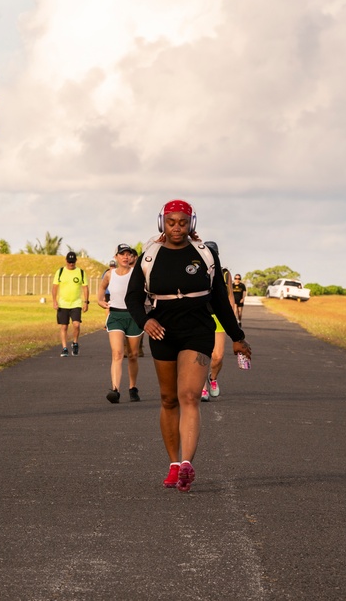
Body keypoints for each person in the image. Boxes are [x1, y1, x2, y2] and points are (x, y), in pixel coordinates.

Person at [125, 200, 251, 492]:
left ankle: (186, 465)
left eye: (183, 222)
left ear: (191, 223)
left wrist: (237, 337)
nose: (177, 228)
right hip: (162, 332)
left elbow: (219, 299)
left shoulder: (205, 256)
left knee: (189, 395)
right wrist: (145, 322)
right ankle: (172, 464)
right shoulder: (149, 257)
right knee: (169, 399)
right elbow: (133, 298)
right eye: (171, 222)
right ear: (162, 223)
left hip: (198, 332)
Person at [97, 244, 143, 403]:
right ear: (116, 257)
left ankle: (133, 387)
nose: (125, 257)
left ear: (131, 257)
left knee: (133, 355)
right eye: (122, 254)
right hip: (115, 315)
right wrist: (100, 301)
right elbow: (102, 288)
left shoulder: (137, 273)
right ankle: (115, 389)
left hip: (133, 316)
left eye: (128, 254)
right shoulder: (110, 274)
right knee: (117, 353)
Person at [201, 242, 237, 401]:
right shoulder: (196, 271)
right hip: (201, 316)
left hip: (219, 317)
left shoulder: (224, 273)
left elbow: (230, 296)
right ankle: (202, 387)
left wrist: (232, 318)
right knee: (202, 354)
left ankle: (213, 379)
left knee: (218, 356)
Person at [52, 251, 89, 357]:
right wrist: (54, 301)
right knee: (64, 326)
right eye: (69, 262)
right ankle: (64, 348)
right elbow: (55, 287)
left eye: (73, 262)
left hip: (76, 303)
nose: (71, 264)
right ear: (66, 261)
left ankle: (75, 343)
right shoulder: (60, 272)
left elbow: (85, 287)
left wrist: (86, 302)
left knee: (76, 325)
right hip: (63, 304)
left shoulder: (81, 272)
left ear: (76, 261)